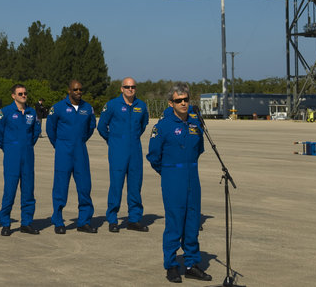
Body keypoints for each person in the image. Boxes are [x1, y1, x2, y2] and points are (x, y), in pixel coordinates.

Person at [146, 84, 212, 283]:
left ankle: (191, 263)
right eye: (178, 100)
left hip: (192, 176)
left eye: (186, 100)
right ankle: (172, 265)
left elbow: (199, 149)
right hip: (172, 177)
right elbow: (153, 156)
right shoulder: (163, 126)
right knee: (174, 222)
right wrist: (168, 171)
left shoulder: (195, 124)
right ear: (170, 103)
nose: (183, 103)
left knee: (192, 222)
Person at [97, 77, 150, 232]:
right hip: (117, 150)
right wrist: (112, 140)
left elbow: (143, 124)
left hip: (135, 149)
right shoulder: (112, 105)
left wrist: (133, 137)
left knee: (135, 185)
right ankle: (113, 219)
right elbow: (101, 126)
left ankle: (134, 219)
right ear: (121, 89)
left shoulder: (141, 105)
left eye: (133, 86)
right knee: (116, 185)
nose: (130, 89)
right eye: (127, 87)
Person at [46, 80, 97, 234]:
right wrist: (60, 145)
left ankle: (84, 222)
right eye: (75, 89)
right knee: (61, 187)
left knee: (84, 187)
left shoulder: (87, 108)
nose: (78, 92)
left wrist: (79, 141)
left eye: (81, 89)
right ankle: (58, 221)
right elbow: (50, 129)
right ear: (69, 90)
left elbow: (90, 128)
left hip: (80, 150)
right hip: (63, 151)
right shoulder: (58, 108)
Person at [0, 83, 42, 236]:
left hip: (27, 155)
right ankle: (6, 223)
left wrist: (26, 145)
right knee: (10, 190)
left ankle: (26, 223)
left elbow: (35, 132)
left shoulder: (31, 112)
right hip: (11, 156)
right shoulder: (5, 112)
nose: (23, 96)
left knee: (28, 191)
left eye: (25, 93)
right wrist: (8, 147)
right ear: (13, 96)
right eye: (20, 94)